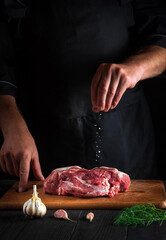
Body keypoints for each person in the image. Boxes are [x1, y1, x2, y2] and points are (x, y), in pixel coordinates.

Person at [0, 0, 166, 192]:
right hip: (36, 132)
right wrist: (11, 123)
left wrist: (136, 67)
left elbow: (161, 34)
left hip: (122, 131)